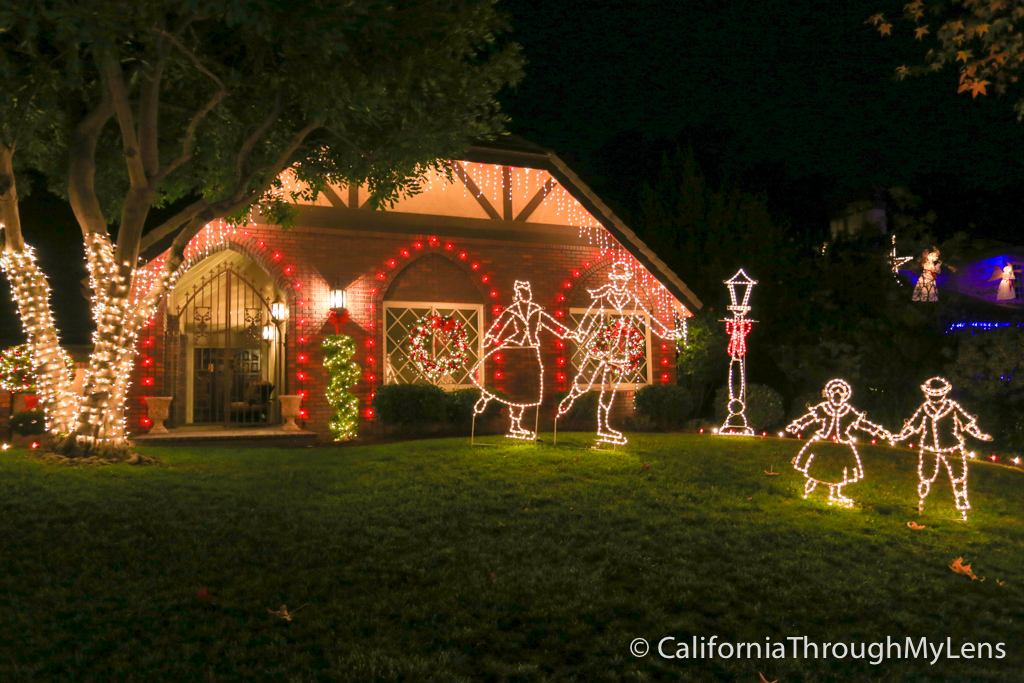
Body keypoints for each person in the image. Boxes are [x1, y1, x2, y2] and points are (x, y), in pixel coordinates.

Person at [557, 261, 681, 446]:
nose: (620, 283)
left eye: (623, 280)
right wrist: (581, 331)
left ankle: (603, 425)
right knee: (586, 376)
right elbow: (592, 314)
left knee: (611, 389)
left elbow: (649, 320)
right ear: (613, 280)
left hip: (622, 345)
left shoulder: (630, 297)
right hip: (605, 341)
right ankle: (569, 399)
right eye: (617, 280)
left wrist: (663, 332)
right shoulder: (605, 294)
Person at [471, 280, 569, 440]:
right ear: (517, 295)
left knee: (529, 389)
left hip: (531, 350)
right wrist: (489, 337)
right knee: (514, 388)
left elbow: (551, 324)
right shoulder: (512, 310)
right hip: (515, 351)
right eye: (522, 293)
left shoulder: (535, 310)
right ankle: (510, 420)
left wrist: (567, 333)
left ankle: (516, 424)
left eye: (526, 292)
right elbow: (499, 325)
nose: (525, 295)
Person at [890, 377, 992, 521]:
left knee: (958, 475)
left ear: (944, 393)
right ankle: (922, 501)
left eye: (938, 394)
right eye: (932, 394)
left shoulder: (952, 406)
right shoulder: (925, 408)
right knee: (925, 475)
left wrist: (979, 435)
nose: (935, 397)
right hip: (929, 446)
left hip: (952, 446)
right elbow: (913, 425)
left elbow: (967, 422)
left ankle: (961, 503)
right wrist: (900, 436)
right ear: (927, 393)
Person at [785, 379, 890, 508]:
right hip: (823, 440)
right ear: (829, 394)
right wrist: (797, 424)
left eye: (841, 393)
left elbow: (862, 423)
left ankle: (835, 493)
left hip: (842, 443)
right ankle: (810, 488)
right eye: (834, 392)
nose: (837, 395)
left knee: (840, 467)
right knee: (816, 463)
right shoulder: (824, 408)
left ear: (845, 395)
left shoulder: (847, 410)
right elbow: (810, 418)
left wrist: (878, 431)